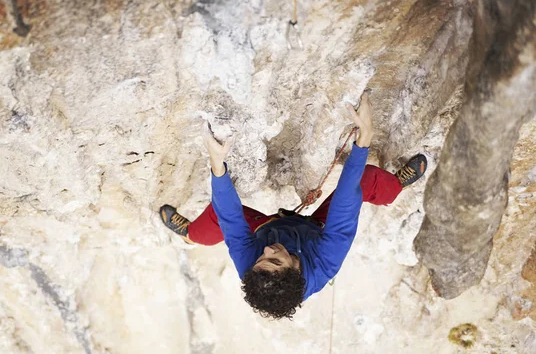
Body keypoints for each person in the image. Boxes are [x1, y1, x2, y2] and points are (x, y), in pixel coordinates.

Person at [159, 93, 427, 320]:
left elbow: (230, 216)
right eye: (274, 259)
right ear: (295, 270)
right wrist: (364, 136)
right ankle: (394, 188)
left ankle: (190, 235)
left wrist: (217, 165)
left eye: (261, 259)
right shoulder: (325, 262)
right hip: (315, 229)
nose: (264, 252)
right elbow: (347, 199)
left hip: (266, 227)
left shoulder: (253, 270)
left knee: (217, 215)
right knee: (366, 179)